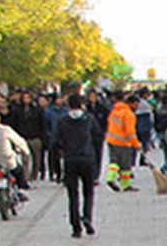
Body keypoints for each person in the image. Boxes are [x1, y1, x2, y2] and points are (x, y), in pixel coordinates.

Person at [55, 93, 103, 238]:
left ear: (68, 105)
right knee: (88, 192)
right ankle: (87, 217)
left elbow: (56, 142)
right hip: (87, 158)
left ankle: (76, 227)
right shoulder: (89, 119)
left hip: (70, 160)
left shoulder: (62, 121)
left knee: (73, 194)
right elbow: (98, 138)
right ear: (82, 104)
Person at [105, 94, 142, 192]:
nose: (137, 107)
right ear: (130, 103)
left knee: (114, 162)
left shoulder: (115, 110)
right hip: (123, 143)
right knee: (125, 165)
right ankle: (126, 185)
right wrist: (136, 144)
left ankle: (110, 178)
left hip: (111, 140)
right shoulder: (129, 114)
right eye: (136, 104)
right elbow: (130, 132)